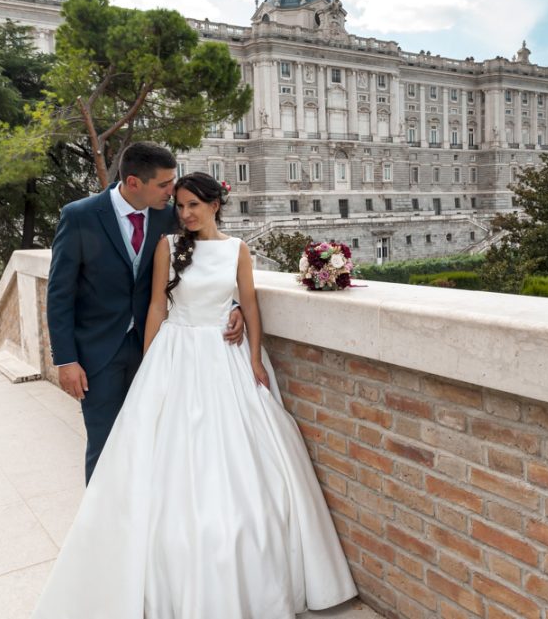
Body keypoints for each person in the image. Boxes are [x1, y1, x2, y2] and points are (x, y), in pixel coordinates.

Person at [33, 173, 357, 618]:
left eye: (192, 206)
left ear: (215, 205)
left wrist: (256, 358)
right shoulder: (168, 246)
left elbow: (251, 302)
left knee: (240, 463)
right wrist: (150, 363)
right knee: (161, 454)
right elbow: (156, 307)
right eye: (179, 205)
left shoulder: (238, 250)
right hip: (176, 351)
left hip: (225, 356)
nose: (184, 213)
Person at [47, 142, 244, 483]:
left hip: (155, 350)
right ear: (135, 182)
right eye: (165, 184)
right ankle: (103, 529)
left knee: (155, 441)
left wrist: (234, 304)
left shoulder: (169, 215)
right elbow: (59, 294)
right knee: (106, 443)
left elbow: (209, 262)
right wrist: (66, 360)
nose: (174, 191)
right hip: (97, 355)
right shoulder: (80, 216)